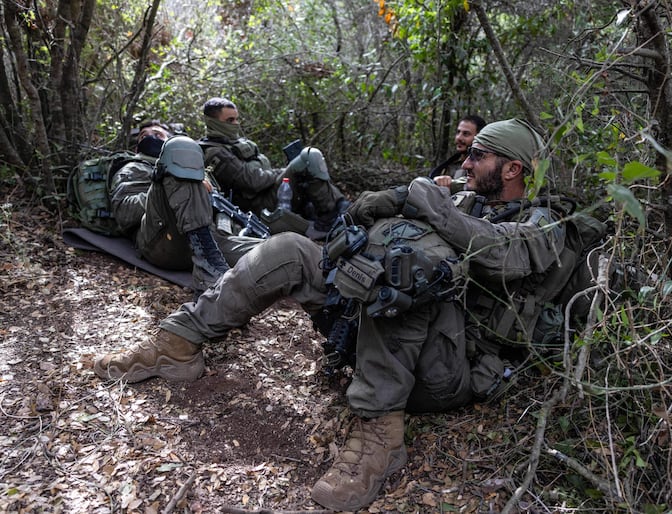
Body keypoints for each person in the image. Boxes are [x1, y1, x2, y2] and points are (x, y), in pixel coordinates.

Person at [94, 119, 587, 511]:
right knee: (287, 249)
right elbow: (379, 223)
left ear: (512, 170)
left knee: (404, 277)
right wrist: (390, 202)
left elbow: (509, 256)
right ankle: (178, 343)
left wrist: (435, 209)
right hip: (382, 332)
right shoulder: (461, 197)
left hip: (448, 368)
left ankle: (381, 435)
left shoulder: (545, 222)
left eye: (478, 154)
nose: (466, 160)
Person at [110, 121, 262, 294]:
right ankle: (208, 271)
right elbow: (124, 212)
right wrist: (167, 183)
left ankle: (210, 261)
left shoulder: (198, 168)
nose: (151, 137)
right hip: (163, 241)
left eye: (158, 134)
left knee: (279, 251)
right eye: (144, 136)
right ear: (137, 149)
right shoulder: (134, 167)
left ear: (168, 138)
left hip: (213, 240)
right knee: (181, 152)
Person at [199, 97, 349, 238]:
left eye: (237, 119)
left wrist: (281, 171)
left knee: (306, 166)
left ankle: (340, 209)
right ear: (213, 122)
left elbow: (262, 173)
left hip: (271, 194)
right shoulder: (214, 153)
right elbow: (252, 181)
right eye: (230, 120)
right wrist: (284, 171)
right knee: (309, 156)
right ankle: (328, 221)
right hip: (259, 208)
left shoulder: (237, 143)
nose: (236, 124)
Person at [430, 114, 486, 180]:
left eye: (466, 134)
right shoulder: (450, 164)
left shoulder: (484, 166)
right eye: (458, 132)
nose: (458, 138)